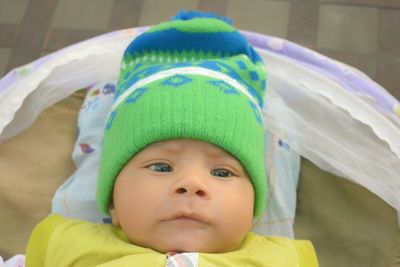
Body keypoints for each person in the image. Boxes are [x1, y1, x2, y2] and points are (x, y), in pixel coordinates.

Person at [26, 10, 318, 266]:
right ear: (112, 202)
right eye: (161, 167)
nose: (191, 184)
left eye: (222, 172)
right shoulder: (68, 246)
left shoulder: (280, 260)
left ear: (254, 211)